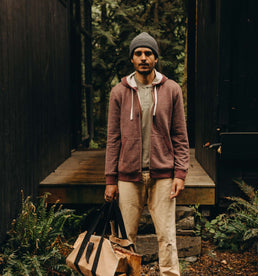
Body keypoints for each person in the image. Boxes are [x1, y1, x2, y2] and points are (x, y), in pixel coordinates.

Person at [104, 32, 189, 276]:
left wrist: (180, 173)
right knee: (123, 237)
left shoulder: (172, 90)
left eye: (148, 53)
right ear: (132, 59)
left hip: (162, 175)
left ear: (155, 58)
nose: (143, 58)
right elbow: (113, 139)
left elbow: (180, 135)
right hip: (127, 176)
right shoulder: (118, 93)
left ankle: (169, 274)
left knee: (167, 235)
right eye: (138, 53)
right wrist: (110, 179)